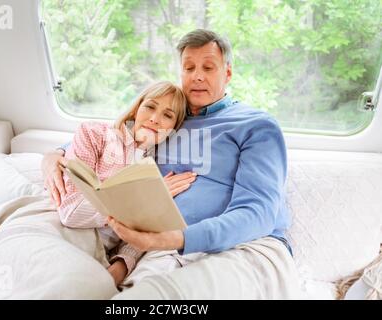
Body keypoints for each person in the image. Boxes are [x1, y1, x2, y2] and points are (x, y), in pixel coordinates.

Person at [42, 29, 301, 299]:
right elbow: (113, 136)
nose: (197, 75)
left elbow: (258, 213)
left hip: (242, 247)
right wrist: (54, 156)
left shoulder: (255, 126)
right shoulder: (169, 120)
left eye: (208, 67)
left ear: (227, 74)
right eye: (189, 67)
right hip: (159, 249)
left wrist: (175, 239)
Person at [56, 81, 197, 287]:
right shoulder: (94, 134)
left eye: (167, 115)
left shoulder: (158, 168)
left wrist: (121, 265)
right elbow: (71, 212)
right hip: (63, 235)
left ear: (173, 129)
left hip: (102, 252)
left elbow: (146, 231)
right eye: (150, 106)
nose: (155, 119)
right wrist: (140, 199)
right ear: (136, 108)